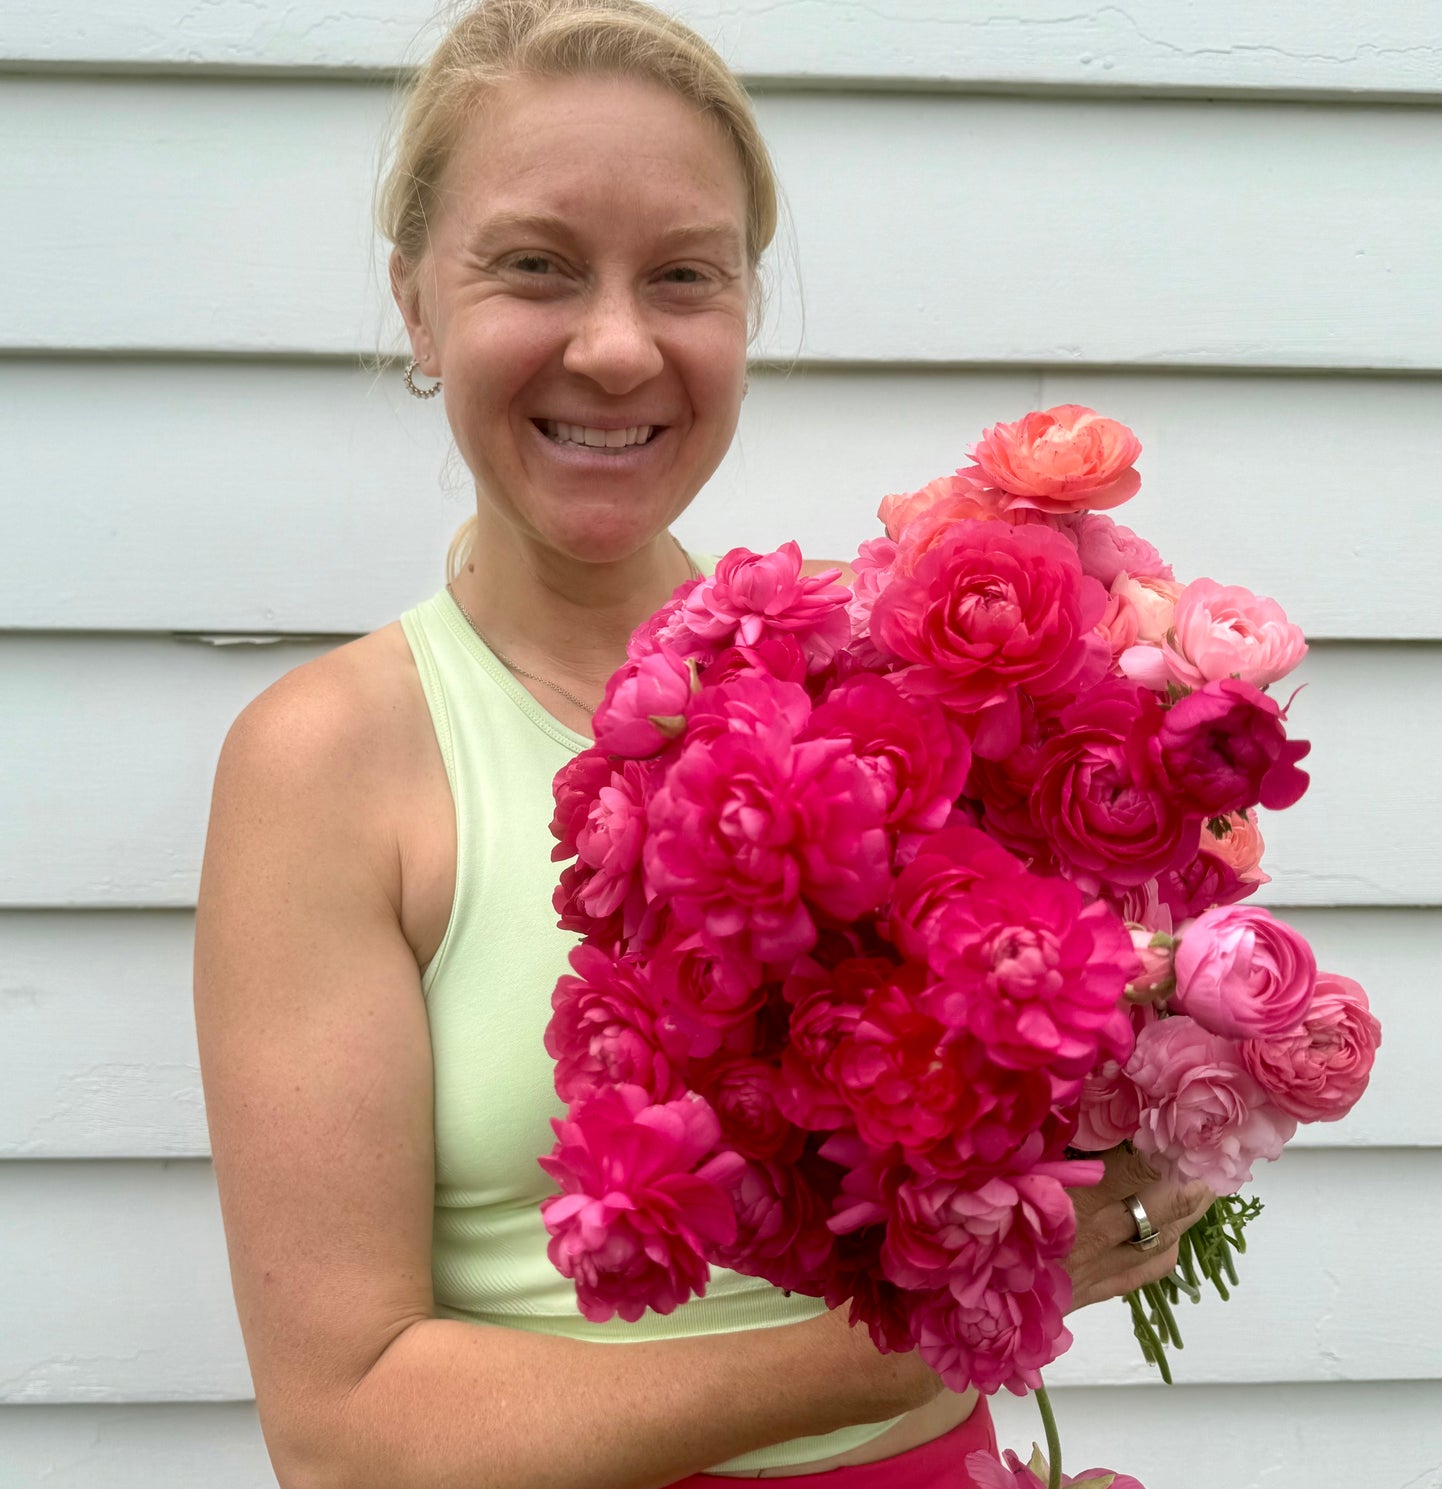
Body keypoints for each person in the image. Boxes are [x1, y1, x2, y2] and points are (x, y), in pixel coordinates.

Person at [192, 3, 1213, 1486]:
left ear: (740, 310)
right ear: (416, 303)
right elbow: (346, 1431)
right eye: (535, 265)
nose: (614, 346)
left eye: (681, 276)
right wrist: (938, 1323)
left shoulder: (889, 686)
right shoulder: (331, 763)